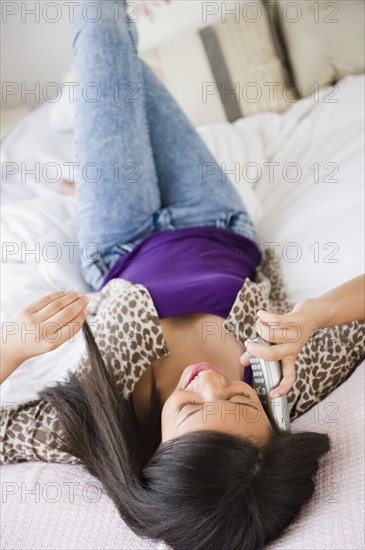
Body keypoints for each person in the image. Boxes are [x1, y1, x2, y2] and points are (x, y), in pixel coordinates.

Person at [1, 2, 364, 549]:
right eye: (240, 404)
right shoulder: (287, 379)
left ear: (157, 456)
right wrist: (315, 315)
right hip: (218, 217)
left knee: (100, 26)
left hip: (117, 239)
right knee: (118, 60)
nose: (211, 383)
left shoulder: (101, 426)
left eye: (191, 409)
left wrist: (13, 346)